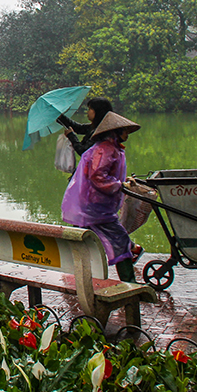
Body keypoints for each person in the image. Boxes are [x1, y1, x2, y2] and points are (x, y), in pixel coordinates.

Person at [61, 112, 143, 281]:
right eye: (125, 131)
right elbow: (98, 176)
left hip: (93, 206)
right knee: (119, 239)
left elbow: (105, 173)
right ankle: (130, 284)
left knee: (85, 240)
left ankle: (83, 278)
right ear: (115, 131)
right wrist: (119, 185)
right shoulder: (104, 149)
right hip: (96, 208)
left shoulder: (111, 148)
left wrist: (123, 181)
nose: (127, 134)